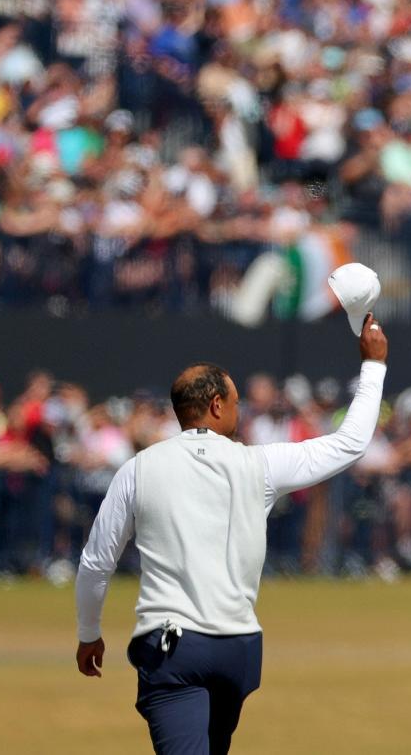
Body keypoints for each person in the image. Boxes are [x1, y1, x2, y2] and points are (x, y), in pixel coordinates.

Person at [73, 316, 389, 753]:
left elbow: (96, 564)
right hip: (238, 651)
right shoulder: (257, 465)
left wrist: (89, 632)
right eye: (237, 403)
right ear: (218, 405)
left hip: (173, 649)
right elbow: (350, 443)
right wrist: (374, 366)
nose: (240, 413)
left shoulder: (138, 469)